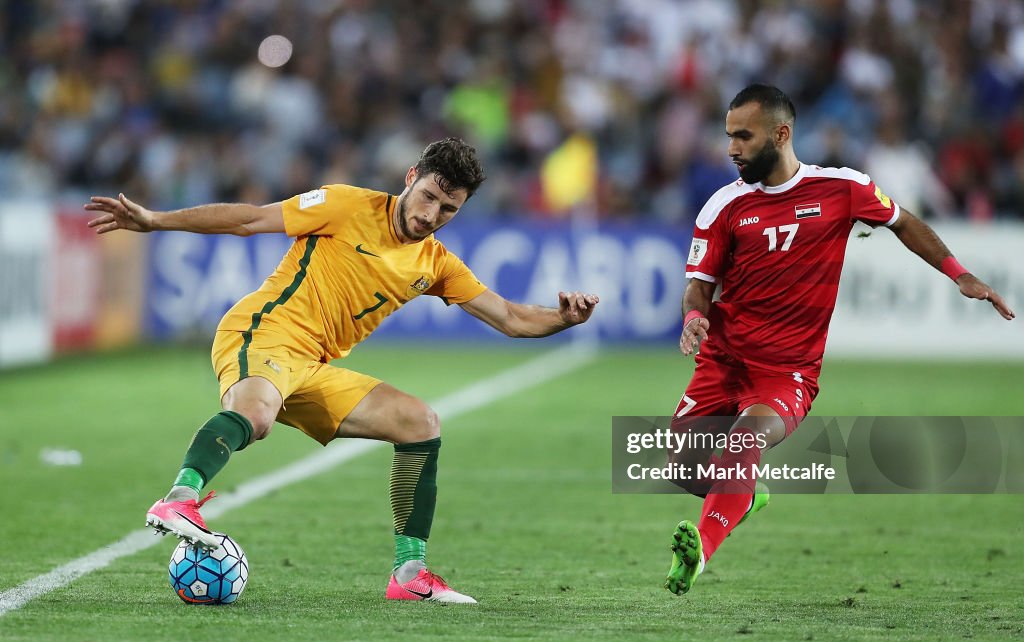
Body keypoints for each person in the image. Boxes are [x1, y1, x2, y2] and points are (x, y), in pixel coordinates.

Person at [86, 138, 600, 604]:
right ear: (410, 177)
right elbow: (249, 220)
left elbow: (509, 317)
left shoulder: (437, 264)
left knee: (419, 422)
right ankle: (180, 497)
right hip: (264, 331)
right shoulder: (345, 204)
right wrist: (154, 221)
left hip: (311, 366)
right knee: (256, 416)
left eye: (449, 208)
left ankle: (409, 573)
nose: (433, 214)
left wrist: (563, 318)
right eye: (429, 196)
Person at [665, 85, 1015, 596]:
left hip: (787, 372)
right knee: (681, 464)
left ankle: (699, 552)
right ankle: (746, 495)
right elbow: (698, 286)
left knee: (744, 438)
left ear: (781, 134)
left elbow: (903, 222)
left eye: (743, 135)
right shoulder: (724, 206)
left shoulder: (841, 188)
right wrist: (694, 317)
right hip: (722, 362)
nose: (732, 148)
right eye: (728, 136)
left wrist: (959, 274)